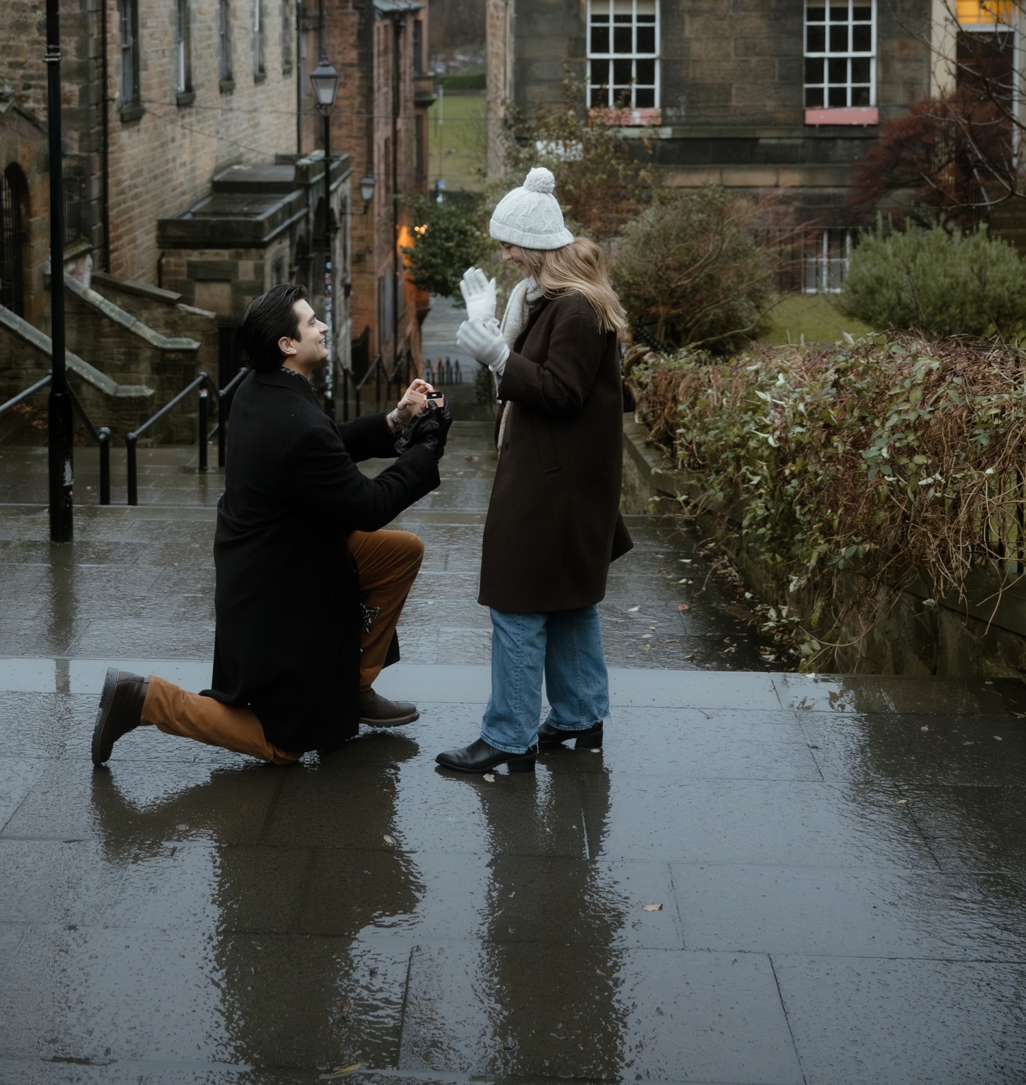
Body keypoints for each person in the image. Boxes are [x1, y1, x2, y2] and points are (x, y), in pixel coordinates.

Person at [92, 283, 449, 768]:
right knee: (284, 745)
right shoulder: (294, 418)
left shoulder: (260, 389)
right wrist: (425, 452)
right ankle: (145, 699)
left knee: (399, 553)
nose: (323, 326)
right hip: (279, 594)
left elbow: (326, 442)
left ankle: (353, 687)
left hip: (273, 561)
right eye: (311, 322)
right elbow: (366, 504)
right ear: (287, 345)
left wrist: (396, 420)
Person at [441, 166, 632, 774]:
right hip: (567, 481)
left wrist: (498, 354)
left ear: (536, 244)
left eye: (509, 243)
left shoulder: (574, 308)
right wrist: (498, 327)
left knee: (518, 606)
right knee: (570, 601)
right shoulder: (556, 300)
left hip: (552, 487)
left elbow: (562, 392)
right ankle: (580, 718)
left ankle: (509, 736)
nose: (503, 254)